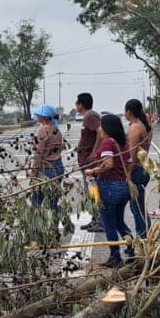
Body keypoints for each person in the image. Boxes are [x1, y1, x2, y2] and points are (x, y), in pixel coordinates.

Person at [83, 113, 134, 268]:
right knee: (119, 222)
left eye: (101, 126)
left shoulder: (107, 143)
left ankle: (115, 257)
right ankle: (131, 251)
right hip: (123, 187)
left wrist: (93, 171)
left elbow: (108, 164)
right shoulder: (123, 143)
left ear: (106, 128)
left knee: (109, 225)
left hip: (109, 187)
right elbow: (130, 163)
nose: (99, 129)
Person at [123, 98, 153, 239]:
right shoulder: (143, 125)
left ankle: (143, 237)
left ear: (128, 112)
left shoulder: (135, 127)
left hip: (137, 170)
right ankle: (146, 235)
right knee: (138, 206)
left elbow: (132, 153)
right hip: (142, 169)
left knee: (136, 208)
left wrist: (128, 173)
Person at [28, 104, 66, 211]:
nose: (36, 116)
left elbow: (38, 154)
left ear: (45, 117)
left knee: (36, 201)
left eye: (38, 114)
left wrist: (33, 172)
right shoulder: (57, 130)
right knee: (53, 201)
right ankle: (54, 226)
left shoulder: (42, 130)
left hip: (46, 169)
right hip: (58, 167)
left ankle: (35, 227)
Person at [74, 93, 102, 231]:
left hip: (90, 163)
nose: (76, 105)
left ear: (81, 104)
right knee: (90, 192)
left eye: (77, 103)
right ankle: (94, 219)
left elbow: (100, 132)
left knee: (93, 191)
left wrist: (94, 152)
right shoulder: (87, 116)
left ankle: (99, 221)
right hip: (85, 162)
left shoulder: (91, 116)